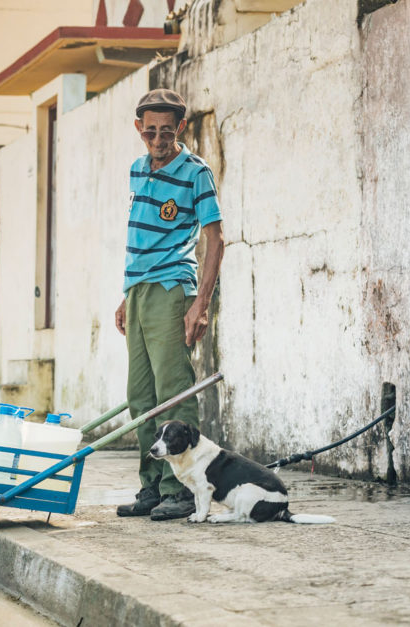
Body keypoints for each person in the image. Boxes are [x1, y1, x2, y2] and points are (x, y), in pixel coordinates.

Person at [115, 88, 224, 521]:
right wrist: (126, 295)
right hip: (138, 291)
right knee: (140, 397)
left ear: (180, 127)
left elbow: (215, 238)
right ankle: (152, 487)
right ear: (138, 129)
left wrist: (202, 303)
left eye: (166, 131)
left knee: (172, 395)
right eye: (150, 132)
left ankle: (181, 490)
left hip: (171, 288)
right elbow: (139, 238)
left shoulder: (196, 172)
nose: (158, 140)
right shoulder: (136, 169)